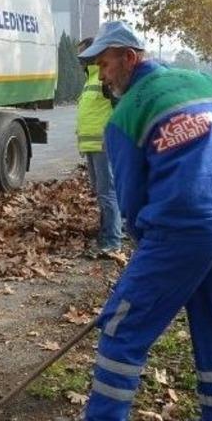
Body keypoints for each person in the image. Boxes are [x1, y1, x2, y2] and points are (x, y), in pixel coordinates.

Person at [78, 21, 212, 421]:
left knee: (121, 333)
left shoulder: (125, 117)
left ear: (130, 58)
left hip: (179, 235)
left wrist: (150, 255)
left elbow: (131, 203)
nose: (101, 75)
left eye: (105, 64)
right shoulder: (206, 83)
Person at [76, 37, 123, 257]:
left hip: (103, 145)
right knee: (101, 192)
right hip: (92, 145)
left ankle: (112, 241)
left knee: (107, 193)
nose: (80, 60)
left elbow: (119, 109)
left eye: (83, 55)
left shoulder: (104, 79)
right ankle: (106, 234)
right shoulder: (91, 78)